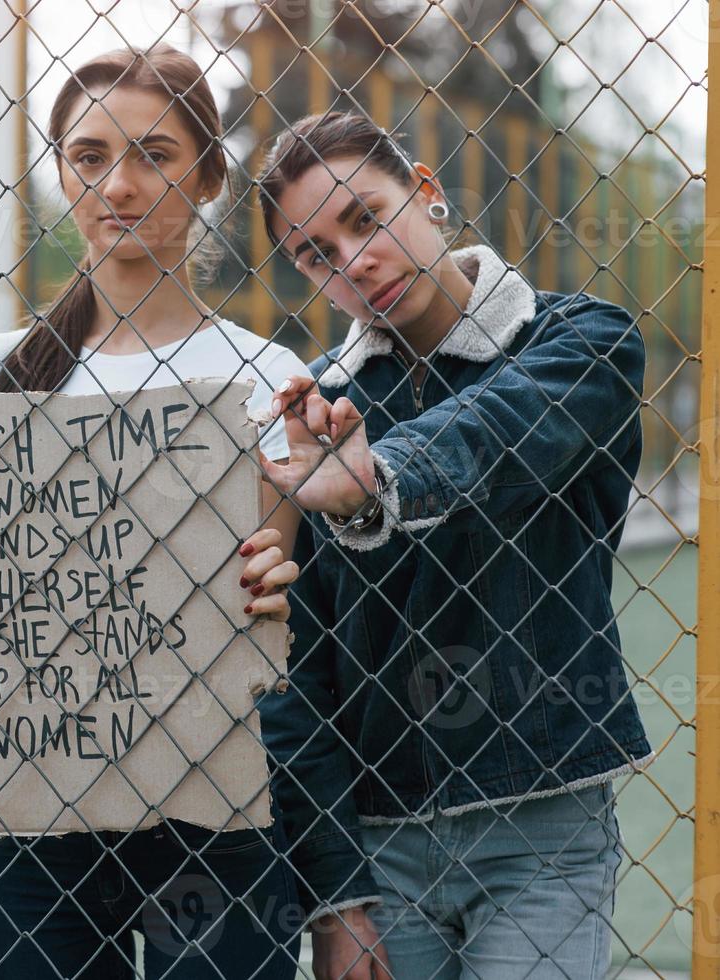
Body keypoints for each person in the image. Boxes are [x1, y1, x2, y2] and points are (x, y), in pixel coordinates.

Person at [0, 45, 307, 979]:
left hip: (207, 805)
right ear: (60, 172)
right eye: (89, 157)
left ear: (210, 175)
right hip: (34, 810)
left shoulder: (271, 377)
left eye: (155, 154)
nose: (121, 185)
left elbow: (269, 605)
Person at [255, 109, 652, 979]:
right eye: (317, 254)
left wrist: (377, 485)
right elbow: (292, 669)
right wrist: (335, 893)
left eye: (366, 217)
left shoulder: (581, 341)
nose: (354, 262)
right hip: (379, 840)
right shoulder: (318, 418)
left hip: (542, 819)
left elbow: (504, 434)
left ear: (428, 195)